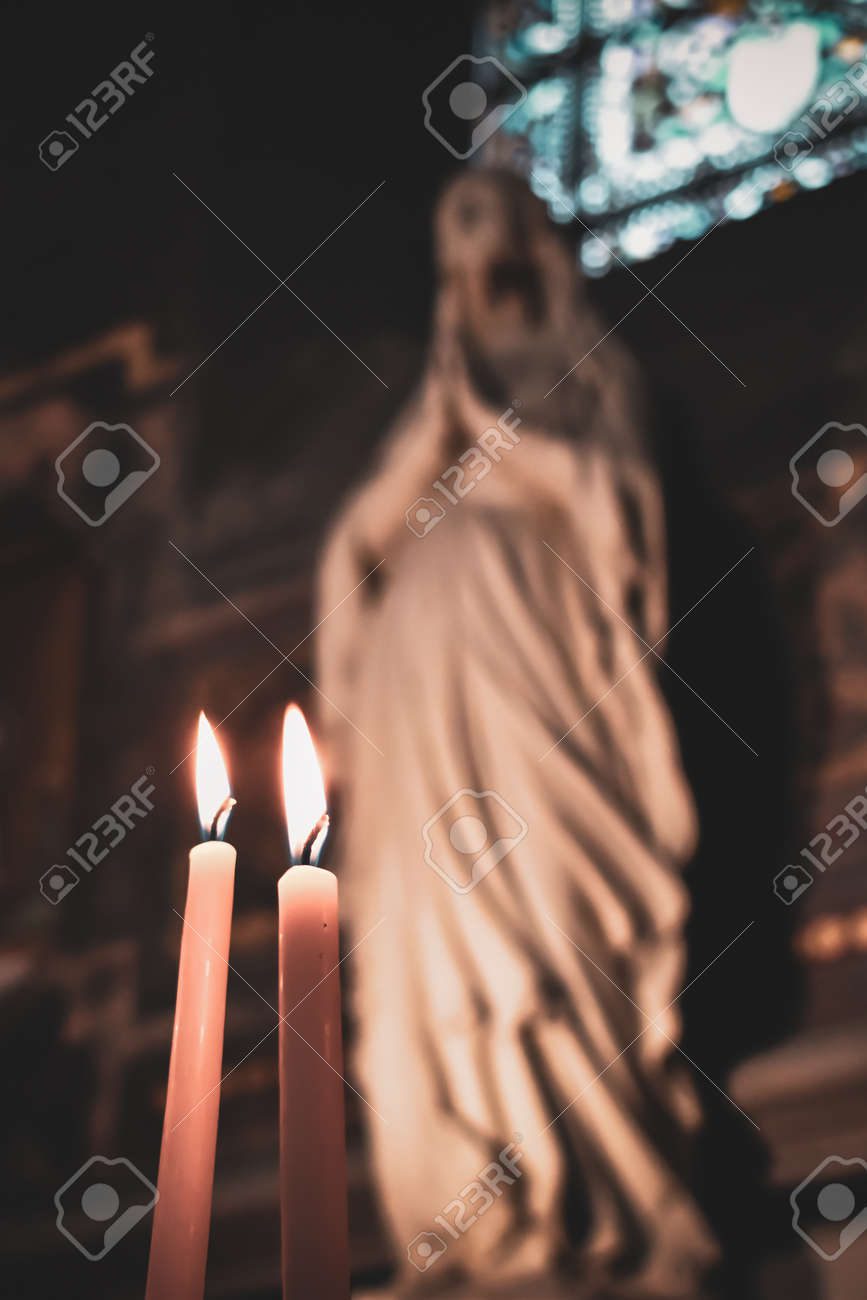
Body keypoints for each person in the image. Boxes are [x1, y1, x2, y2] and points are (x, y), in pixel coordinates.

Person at [316, 171, 717, 1297]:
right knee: (424, 935)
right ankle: (476, 1226)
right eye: (453, 244)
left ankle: (597, 1196)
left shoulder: (588, 374)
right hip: (419, 672)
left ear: (535, 248)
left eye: (491, 231)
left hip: (534, 661)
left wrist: (489, 438)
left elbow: (618, 511)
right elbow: (355, 540)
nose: (475, 266)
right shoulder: (430, 402)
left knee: (546, 900)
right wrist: (436, 446)